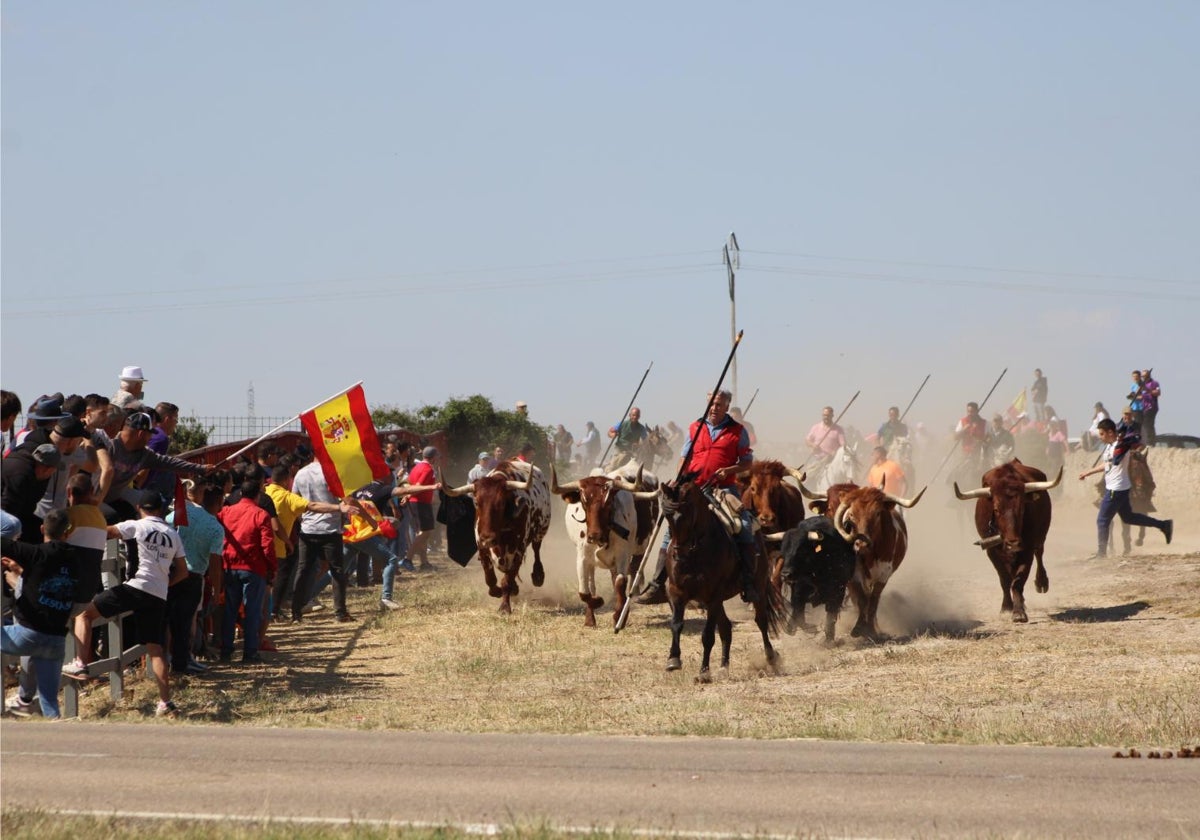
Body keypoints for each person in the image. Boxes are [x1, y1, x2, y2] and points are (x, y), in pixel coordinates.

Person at [62, 490, 188, 718]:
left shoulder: (136, 526)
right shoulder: (172, 534)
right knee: (155, 649)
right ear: (160, 509)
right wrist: (164, 584)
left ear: (140, 508)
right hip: (158, 594)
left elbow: (106, 532)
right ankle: (165, 702)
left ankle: (80, 662)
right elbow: (182, 572)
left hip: (135, 586)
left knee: (84, 615)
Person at [636, 390, 757, 605]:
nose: (714, 407)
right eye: (711, 403)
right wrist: (678, 478)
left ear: (727, 406)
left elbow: (747, 462)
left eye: (719, 404)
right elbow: (684, 457)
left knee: (744, 525)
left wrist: (729, 470)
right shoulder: (695, 428)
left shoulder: (738, 431)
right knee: (671, 528)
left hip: (723, 490)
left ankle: (748, 582)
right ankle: (657, 584)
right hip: (694, 488)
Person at [2, 509, 81, 719]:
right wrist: (20, 572)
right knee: (49, 701)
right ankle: (56, 734)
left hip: (27, 635)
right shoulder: (76, 560)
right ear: (68, 532)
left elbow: (4, 543)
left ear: (42, 529)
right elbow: (46, 581)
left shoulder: (36, 553)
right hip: (56, 641)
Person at [1077, 419, 1173, 559]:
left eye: (1102, 434)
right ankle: (1164, 525)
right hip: (1119, 488)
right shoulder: (1111, 446)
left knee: (1102, 520)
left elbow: (1134, 439)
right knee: (1129, 517)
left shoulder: (1121, 445)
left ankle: (1101, 553)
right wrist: (1088, 472)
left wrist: (1123, 438)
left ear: (1110, 432)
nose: (1100, 437)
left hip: (1116, 489)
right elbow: (1108, 464)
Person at [166, 481, 224, 674]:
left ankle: (167, 657)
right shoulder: (215, 528)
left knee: (167, 619)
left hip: (170, 571)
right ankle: (185, 659)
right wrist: (216, 588)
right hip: (194, 576)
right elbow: (215, 564)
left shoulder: (179, 514)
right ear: (219, 503)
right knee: (188, 621)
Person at [290, 458, 358, 623]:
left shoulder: (300, 473)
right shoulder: (333, 473)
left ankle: (296, 613)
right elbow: (346, 499)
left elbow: (294, 502)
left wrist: (303, 520)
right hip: (330, 529)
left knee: (303, 571)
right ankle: (340, 613)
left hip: (308, 529)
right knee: (337, 571)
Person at [218, 473, 275, 664]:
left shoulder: (226, 512)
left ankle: (226, 650)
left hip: (229, 566)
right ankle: (249, 652)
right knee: (252, 611)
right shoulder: (261, 514)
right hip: (253, 568)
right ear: (258, 495)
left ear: (241, 493)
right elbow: (267, 545)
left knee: (230, 610)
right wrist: (271, 568)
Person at [406, 447, 439, 571]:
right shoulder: (428, 469)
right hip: (421, 503)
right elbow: (418, 486)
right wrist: (409, 495)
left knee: (423, 533)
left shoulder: (416, 467)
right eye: (436, 456)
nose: (437, 459)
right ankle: (407, 558)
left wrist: (408, 496)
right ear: (433, 457)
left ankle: (424, 562)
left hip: (416, 502)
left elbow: (409, 482)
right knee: (425, 532)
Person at [1138, 369, 1161, 446]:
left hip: (1152, 406)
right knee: (1144, 425)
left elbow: (1158, 392)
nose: (1143, 378)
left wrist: (1149, 391)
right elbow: (1143, 396)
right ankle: (1147, 441)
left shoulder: (1154, 383)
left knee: (1148, 424)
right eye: (1142, 376)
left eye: (1144, 376)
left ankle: (1151, 442)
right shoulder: (1142, 386)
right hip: (1144, 407)